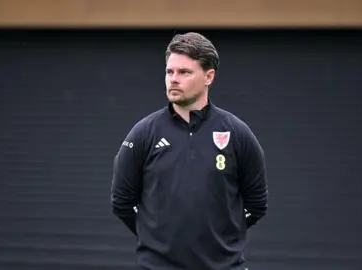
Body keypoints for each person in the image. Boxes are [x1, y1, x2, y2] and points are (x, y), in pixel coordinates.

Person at [111, 32, 268, 270]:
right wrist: (156, 238)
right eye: (169, 71)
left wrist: (222, 236)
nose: (174, 79)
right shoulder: (144, 133)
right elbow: (122, 202)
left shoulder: (237, 133)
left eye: (184, 72)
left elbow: (257, 205)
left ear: (209, 76)